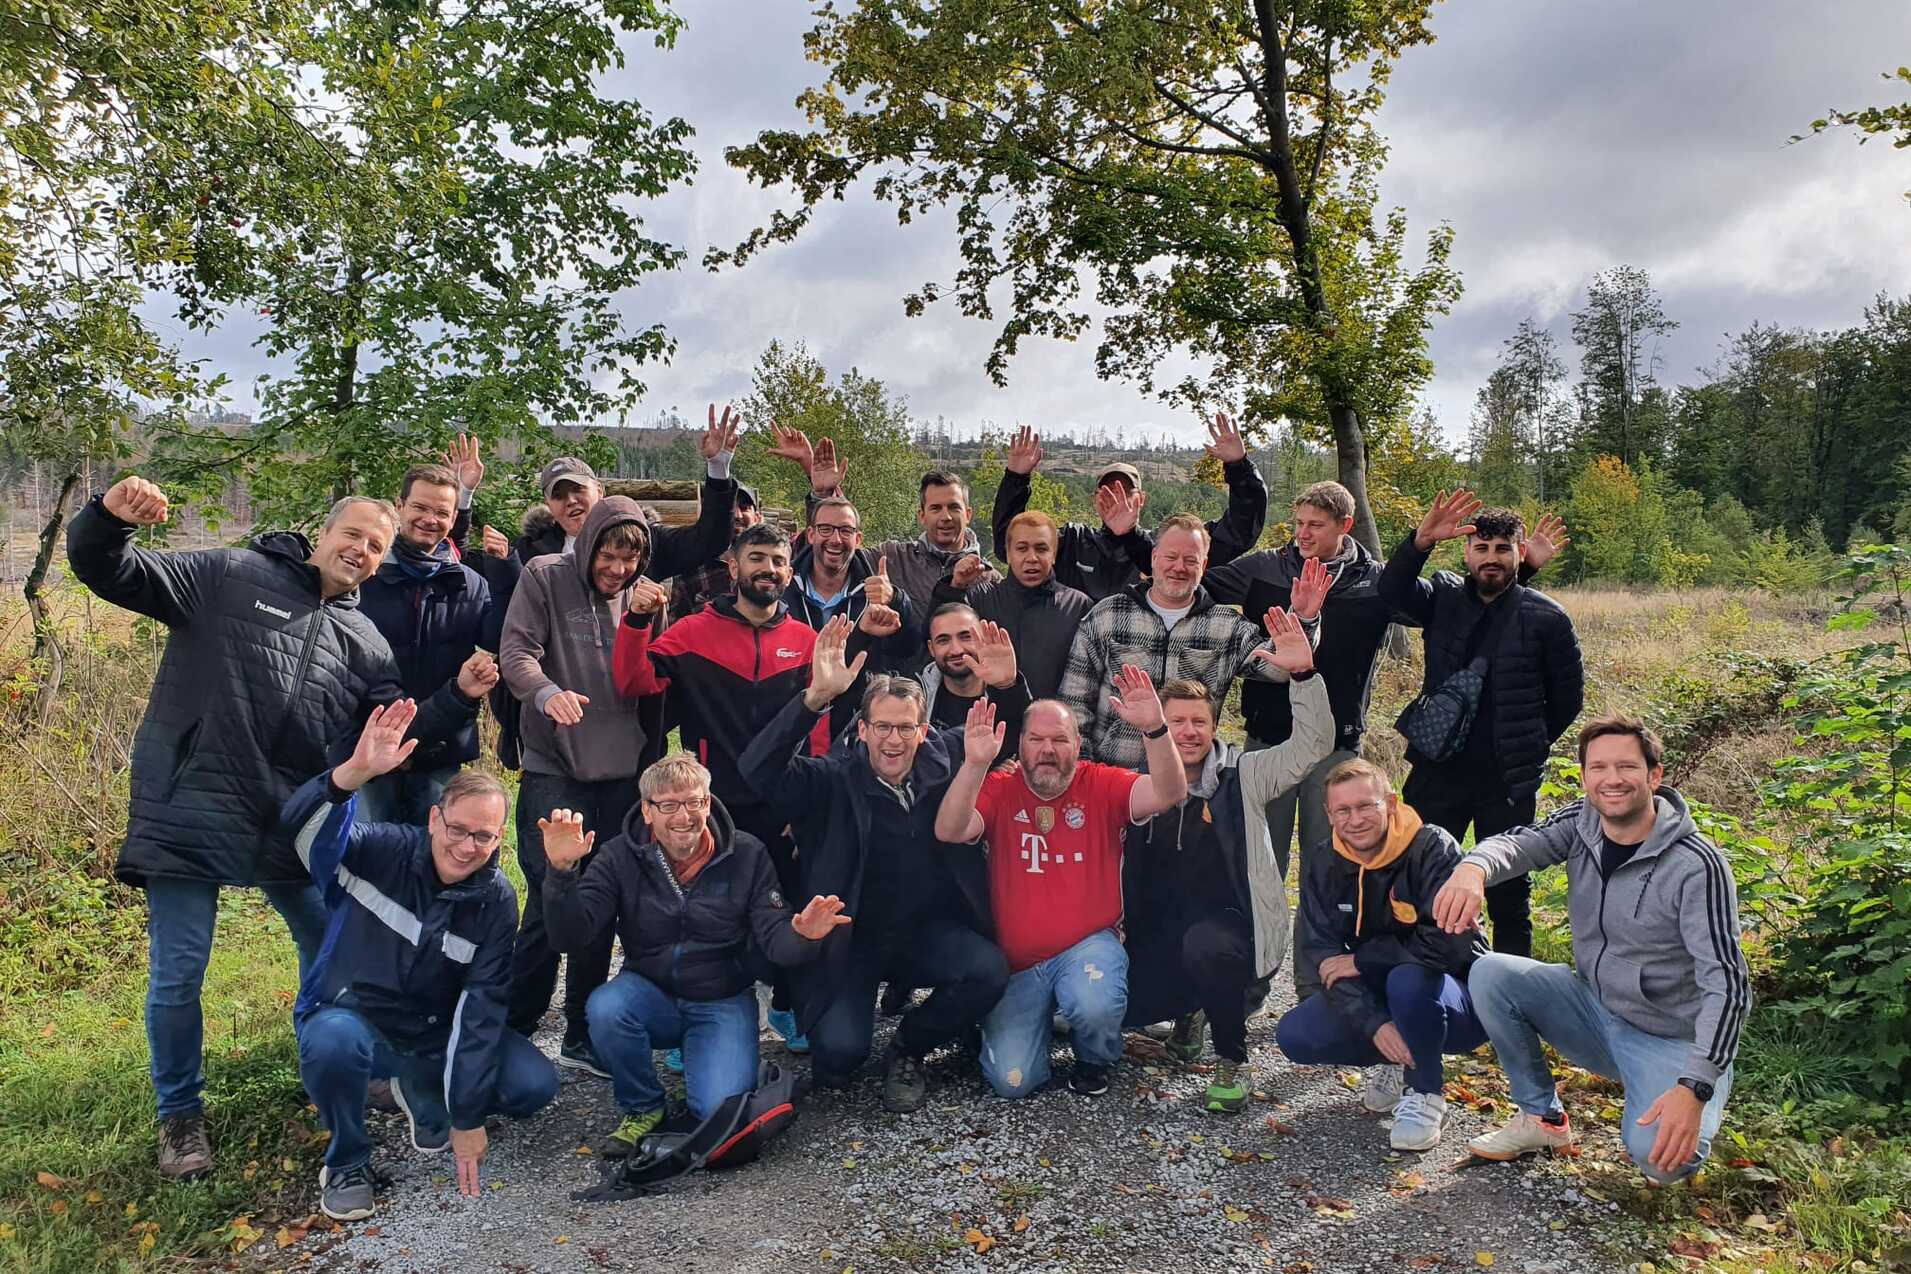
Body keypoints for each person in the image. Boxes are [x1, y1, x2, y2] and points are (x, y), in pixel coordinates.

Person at [64, 477, 490, 1180]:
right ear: (321, 533)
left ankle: (336, 1064)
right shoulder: (230, 574)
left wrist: (458, 697)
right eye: (352, 534)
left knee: (330, 945)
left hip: (286, 817)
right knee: (180, 973)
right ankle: (180, 1118)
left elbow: (396, 731)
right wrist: (109, 520)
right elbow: (112, 570)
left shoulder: (363, 642)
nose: (360, 550)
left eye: (375, 546)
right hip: (192, 803)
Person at [1203, 481, 1567, 997]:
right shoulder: (1263, 571)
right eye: (1299, 524)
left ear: (1344, 526)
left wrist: (1517, 571)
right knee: (1262, 865)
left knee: (1330, 870)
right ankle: (1250, 985)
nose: (1304, 535)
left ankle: (1320, 991)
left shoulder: (1373, 583)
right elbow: (1194, 581)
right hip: (1270, 738)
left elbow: (1479, 608)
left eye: (1317, 525)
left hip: (1341, 745)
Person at [614, 523, 903, 1054]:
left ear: (789, 574)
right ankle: (691, 1021)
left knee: (790, 902)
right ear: (733, 567)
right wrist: (634, 620)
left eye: (777, 561)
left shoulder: (806, 641)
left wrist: (807, 804)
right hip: (710, 805)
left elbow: (820, 727)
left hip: (783, 804)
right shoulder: (689, 634)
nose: (767, 569)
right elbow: (634, 683)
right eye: (757, 559)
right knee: (704, 914)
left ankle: (789, 1004)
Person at [1432, 716, 1751, 1183]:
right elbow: (1519, 844)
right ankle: (1541, 1120)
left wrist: (1696, 1084)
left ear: (1654, 776)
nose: (1612, 779)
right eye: (1598, 767)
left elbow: (1728, 985)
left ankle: (1692, 1089)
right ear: (1585, 778)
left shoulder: (1697, 865)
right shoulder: (1583, 824)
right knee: (1491, 973)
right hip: (1596, 1011)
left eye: (1626, 766)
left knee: (1664, 1163)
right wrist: (1472, 868)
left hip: (1669, 1037)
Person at [282, 701, 557, 1221]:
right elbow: (303, 835)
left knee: (533, 1085)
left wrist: (467, 1116)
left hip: (430, 1034)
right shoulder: (377, 850)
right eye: (457, 829)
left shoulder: (495, 900)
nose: (466, 846)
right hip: (354, 1019)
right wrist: (348, 779)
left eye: (483, 836)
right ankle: (347, 1161)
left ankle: (422, 1085)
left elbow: (482, 1010)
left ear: (499, 839)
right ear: (435, 817)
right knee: (330, 1042)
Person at [739, 619, 1009, 1112]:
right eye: (882, 726)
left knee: (989, 970)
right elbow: (758, 769)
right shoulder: (829, 779)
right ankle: (843, 1026)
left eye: (906, 727)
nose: (893, 740)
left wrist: (1010, 687)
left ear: (923, 731)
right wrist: (812, 701)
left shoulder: (947, 759)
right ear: (862, 730)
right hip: (851, 938)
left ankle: (910, 1046)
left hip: (925, 931)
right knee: (839, 1059)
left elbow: (1007, 737)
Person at [537, 753, 849, 1153]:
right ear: (647, 812)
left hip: (721, 998)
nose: (683, 817)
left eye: (694, 803)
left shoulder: (747, 853)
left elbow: (775, 939)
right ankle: (643, 1106)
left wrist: (803, 934)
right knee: (605, 1008)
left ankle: (729, 1058)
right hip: (649, 992)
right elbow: (571, 937)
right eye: (668, 805)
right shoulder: (618, 856)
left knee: (718, 1113)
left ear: (709, 802)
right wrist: (561, 875)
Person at [934, 672, 1188, 1098]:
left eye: (1059, 740)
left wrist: (1155, 730)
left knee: (1094, 1003)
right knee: (1013, 1083)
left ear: (1077, 744)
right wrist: (975, 764)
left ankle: (1095, 1057)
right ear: (1020, 744)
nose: (1047, 750)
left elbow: (1169, 792)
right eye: (1036, 739)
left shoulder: (1102, 783)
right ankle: (1031, 1026)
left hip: (1088, 945)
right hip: (1018, 963)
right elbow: (950, 829)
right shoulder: (1000, 786)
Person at [1120, 612, 1331, 1114]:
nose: (1188, 732)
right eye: (1176, 722)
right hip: (1159, 932)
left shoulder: (1246, 774)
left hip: (1233, 930)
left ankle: (1233, 1058)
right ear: (1156, 725)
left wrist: (1303, 675)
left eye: (1199, 721)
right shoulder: (1137, 785)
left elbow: (1312, 747)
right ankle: (1189, 1011)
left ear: (1215, 725)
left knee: (1206, 945)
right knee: (1119, 1006)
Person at [479, 406, 744, 770]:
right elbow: (510, 632)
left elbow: (707, 541)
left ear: (599, 491)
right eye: (559, 495)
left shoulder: (644, 542)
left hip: (630, 729)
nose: (571, 500)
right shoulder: (533, 556)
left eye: (578, 490)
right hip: (556, 730)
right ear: (549, 505)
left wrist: (718, 470)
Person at [1380, 491, 1585, 958]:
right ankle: (1429, 980)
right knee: (1421, 878)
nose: (1491, 558)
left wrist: (1523, 742)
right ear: (1467, 553)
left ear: (1520, 554)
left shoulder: (1547, 618)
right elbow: (1392, 595)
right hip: (1438, 771)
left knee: (1509, 894)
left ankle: (1511, 995)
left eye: (1502, 549)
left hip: (1507, 781)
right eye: (1482, 548)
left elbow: (1566, 701)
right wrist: (1419, 542)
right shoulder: (1443, 598)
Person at [498, 496, 657, 1073]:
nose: (617, 570)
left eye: (628, 561)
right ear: (588, 544)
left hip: (622, 772)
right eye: (608, 557)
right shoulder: (546, 576)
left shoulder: (644, 598)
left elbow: (652, 675)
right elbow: (516, 651)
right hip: (555, 765)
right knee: (549, 892)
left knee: (601, 899)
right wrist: (546, 693)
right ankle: (516, 1020)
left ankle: (581, 1029)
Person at [1273, 759, 1490, 1151]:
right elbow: (1320, 953)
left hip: (1458, 997)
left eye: (1365, 806)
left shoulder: (1433, 847)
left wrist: (1363, 961)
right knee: (1295, 1034)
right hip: (1388, 994)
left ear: (1390, 803)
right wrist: (1374, 1023)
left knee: (1406, 978)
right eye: (1343, 810)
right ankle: (1396, 1060)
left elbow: (1451, 944)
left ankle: (1425, 1091)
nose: (1354, 820)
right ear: (1329, 814)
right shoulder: (1325, 859)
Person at [1059, 514, 1301, 769]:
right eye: (1171, 557)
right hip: (1117, 779)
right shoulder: (1107, 615)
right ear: (1154, 558)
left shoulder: (1227, 627)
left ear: (1204, 564)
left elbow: (1279, 668)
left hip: (1190, 784)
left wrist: (1304, 622)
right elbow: (1075, 702)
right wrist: (1083, 771)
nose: (1179, 567)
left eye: (1190, 560)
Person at [357, 462, 508, 824]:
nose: (430, 519)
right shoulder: (365, 576)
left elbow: (498, 638)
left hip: (440, 751)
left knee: (437, 855)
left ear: (454, 517)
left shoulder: (469, 584)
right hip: (367, 747)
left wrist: (503, 570)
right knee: (366, 860)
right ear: (400, 506)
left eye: (441, 512)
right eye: (421, 508)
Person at [990, 417, 1266, 601]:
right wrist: (1016, 478)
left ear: (1142, 499)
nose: (1117, 498)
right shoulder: (1071, 542)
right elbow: (1010, 547)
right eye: (1109, 491)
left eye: (1126, 491)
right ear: (1095, 499)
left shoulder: (1167, 549)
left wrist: (1239, 466)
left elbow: (1239, 533)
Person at [799, 445, 1001, 617]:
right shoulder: (894, 558)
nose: (945, 517)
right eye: (936, 508)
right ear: (921, 515)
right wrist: (823, 495)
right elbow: (837, 548)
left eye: (953, 507)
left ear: (968, 514)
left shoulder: (989, 579)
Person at [927, 509, 1091, 701]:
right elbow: (934, 639)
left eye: (1041, 549)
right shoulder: (980, 598)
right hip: (989, 721)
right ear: (1008, 553)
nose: (1032, 558)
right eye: (1022, 548)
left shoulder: (1077, 606)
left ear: (1054, 554)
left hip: (1050, 725)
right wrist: (955, 587)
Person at [920, 604, 1033, 745]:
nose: (956, 650)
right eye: (943, 640)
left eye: (966, 637)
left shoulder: (1008, 693)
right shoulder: (916, 696)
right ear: (931, 648)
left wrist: (1007, 687)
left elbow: (1026, 741)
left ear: (983, 638)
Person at [666, 481, 764, 619]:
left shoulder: (773, 569)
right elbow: (674, 629)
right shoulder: (692, 568)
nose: (737, 515)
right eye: (729, 508)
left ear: (758, 518)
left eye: (744, 507)